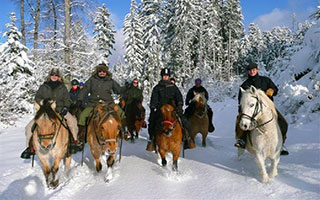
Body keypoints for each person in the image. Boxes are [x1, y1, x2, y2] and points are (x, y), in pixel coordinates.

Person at [20, 68, 80, 159]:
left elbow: (67, 99)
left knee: (72, 122)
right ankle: (30, 148)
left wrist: (65, 107)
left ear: (59, 77)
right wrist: (43, 102)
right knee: (29, 127)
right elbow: (37, 97)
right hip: (45, 112)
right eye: (53, 75)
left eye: (56, 75)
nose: (54, 77)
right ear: (50, 76)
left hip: (59, 110)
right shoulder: (43, 86)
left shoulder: (62, 87)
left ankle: (74, 142)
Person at [235, 61, 289, 155]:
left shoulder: (266, 80)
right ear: (248, 72)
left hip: (268, 109)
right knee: (241, 123)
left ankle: (281, 145)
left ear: (257, 70)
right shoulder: (245, 85)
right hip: (251, 111)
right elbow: (241, 100)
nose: (251, 72)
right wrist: (241, 112)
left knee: (283, 123)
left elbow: (275, 89)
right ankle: (242, 141)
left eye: (253, 70)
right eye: (249, 70)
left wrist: (272, 90)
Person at [146, 68, 195, 151]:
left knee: (184, 121)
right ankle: (152, 140)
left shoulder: (173, 87)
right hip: (161, 109)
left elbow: (179, 97)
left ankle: (188, 139)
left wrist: (179, 105)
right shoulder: (157, 88)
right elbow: (154, 98)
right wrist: (153, 107)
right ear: (162, 76)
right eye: (164, 76)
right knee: (152, 122)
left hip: (173, 109)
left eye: (167, 76)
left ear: (169, 77)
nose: (165, 77)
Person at [76, 64, 125, 143]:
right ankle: (81, 135)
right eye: (100, 71)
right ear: (97, 72)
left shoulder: (110, 80)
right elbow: (85, 90)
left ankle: (123, 132)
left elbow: (118, 90)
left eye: (103, 71)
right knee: (83, 116)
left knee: (121, 113)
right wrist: (79, 99)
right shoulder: (92, 80)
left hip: (108, 102)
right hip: (94, 103)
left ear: (106, 72)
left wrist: (125, 88)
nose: (102, 73)